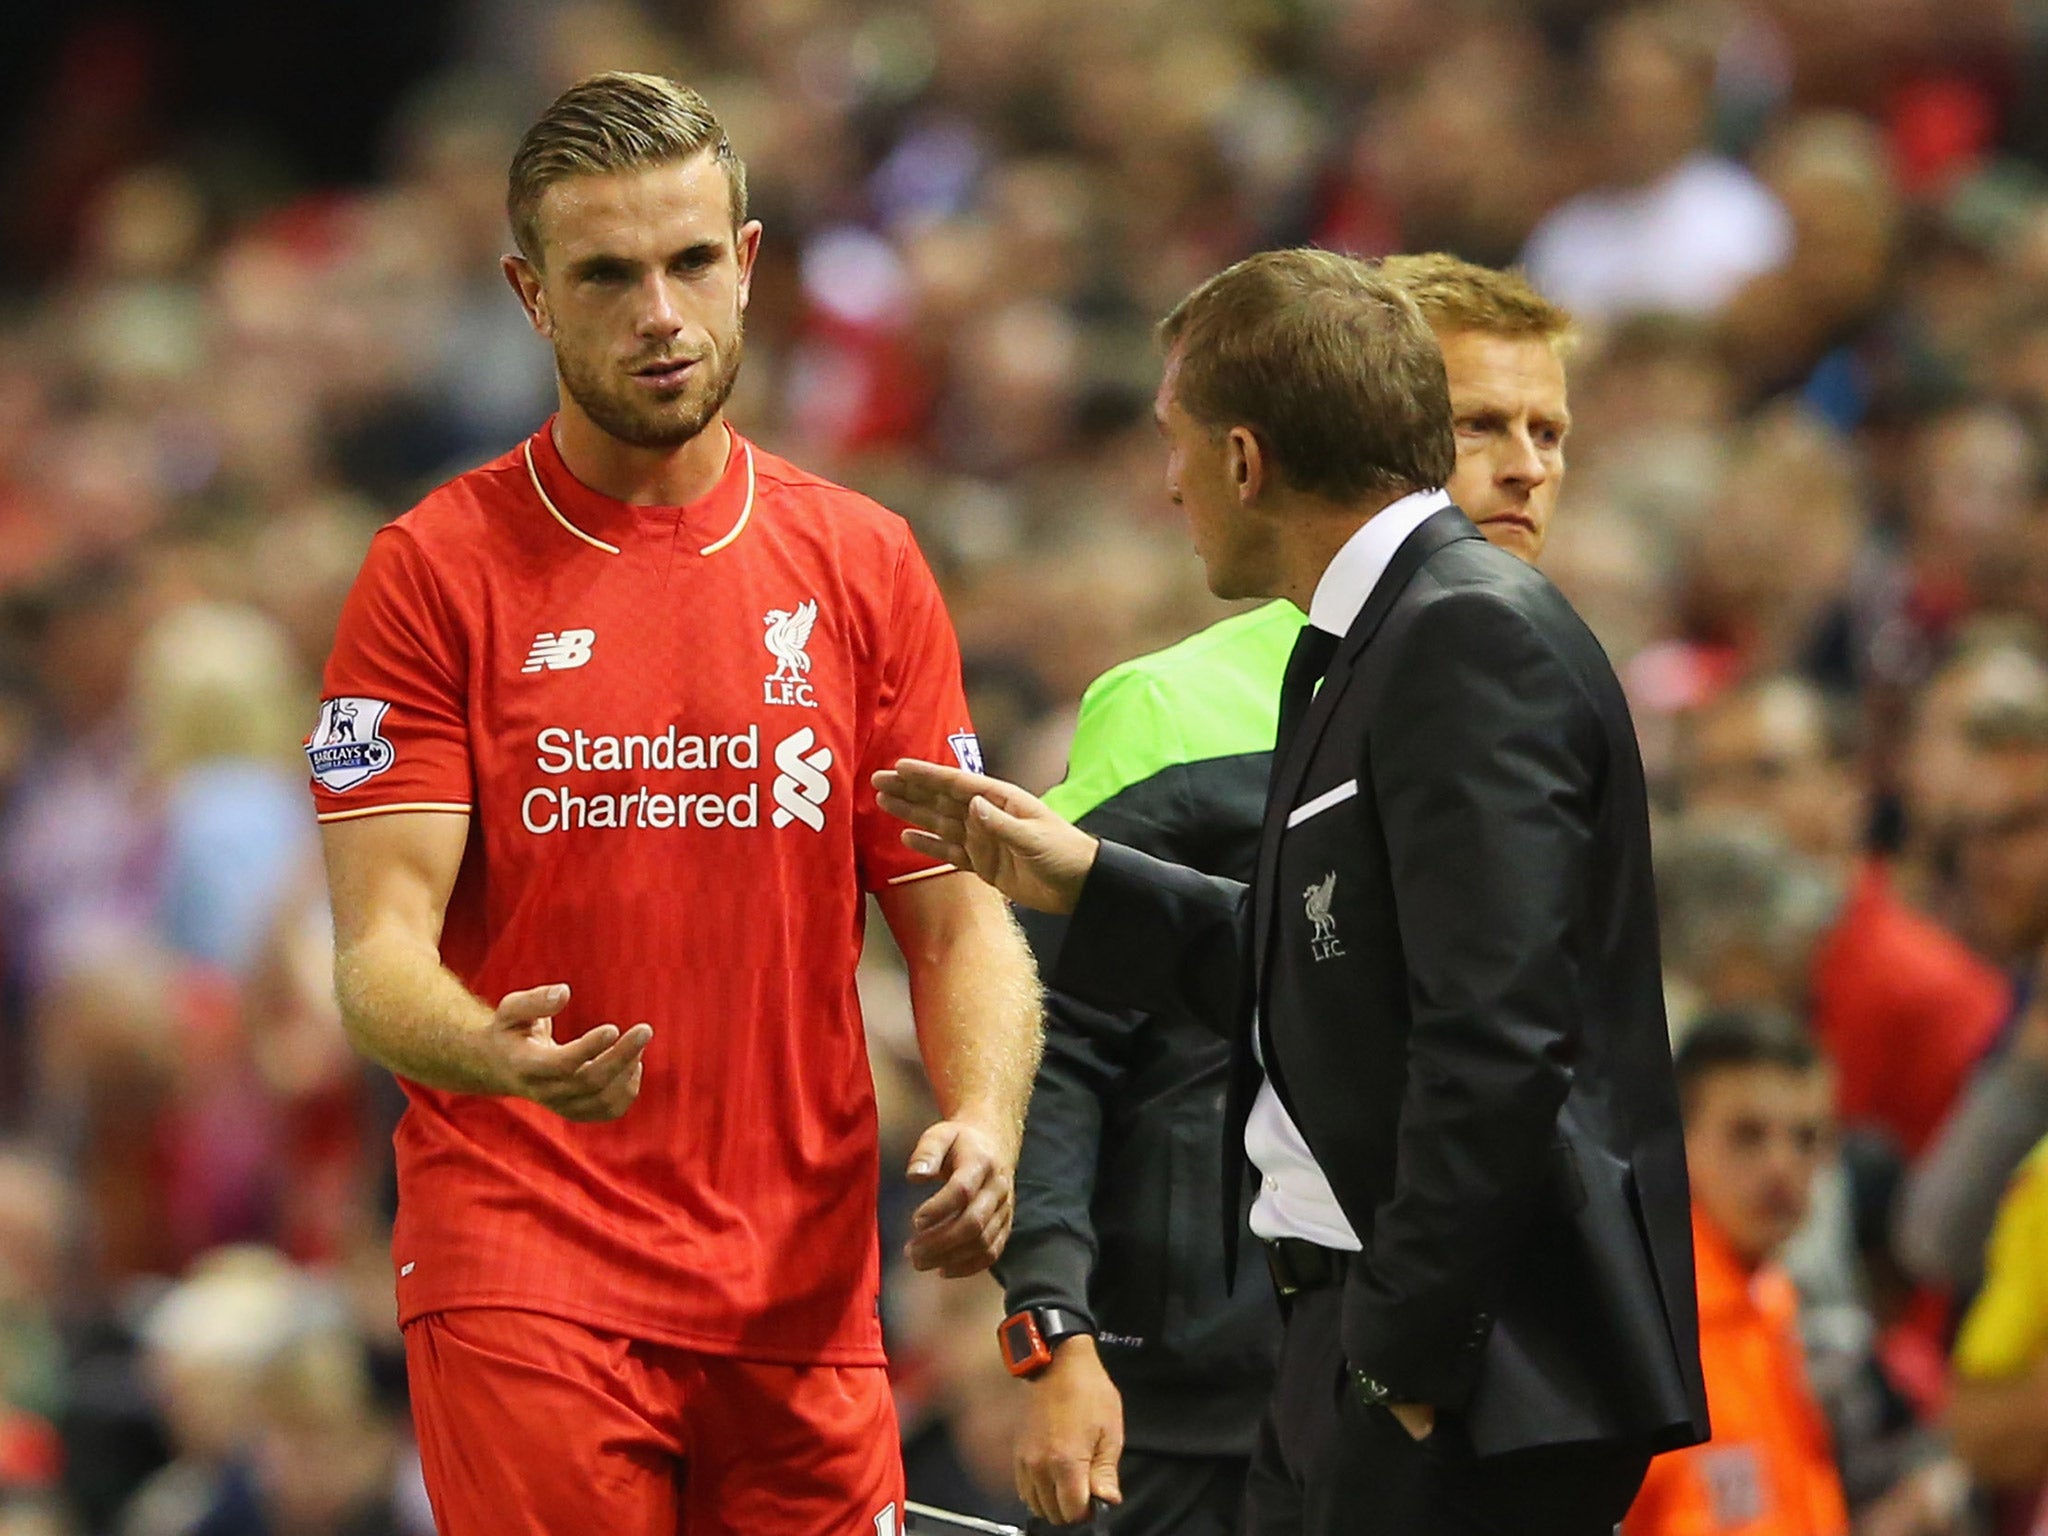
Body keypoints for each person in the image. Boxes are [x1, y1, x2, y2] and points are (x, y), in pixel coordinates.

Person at [310, 72, 1042, 1536]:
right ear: (530, 295)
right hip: (530, 1268)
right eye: (607, 273)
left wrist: (987, 1121)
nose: (661, 311)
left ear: (750, 264)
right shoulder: (431, 572)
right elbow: (378, 953)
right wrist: (493, 1052)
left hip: (803, 1283)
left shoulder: (865, 562)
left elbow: (958, 922)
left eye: (692, 262)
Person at [880, 249, 1707, 1536]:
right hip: (1337, 1350)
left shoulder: (1465, 635)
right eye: (1482, 422)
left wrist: (1400, 1368)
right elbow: (1340, 972)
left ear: (1246, 460)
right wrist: (1096, 881)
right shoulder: (1365, 643)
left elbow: (1493, 1042)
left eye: (1177, 442)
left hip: (1443, 1375)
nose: (1166, 482)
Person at [1624, 1012, 1851, 1536]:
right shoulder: (1646, 1320)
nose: (1781, 1165)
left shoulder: (1773, 1303)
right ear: (1675, 1143)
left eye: (1806, 1138)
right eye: (1747, 1135)